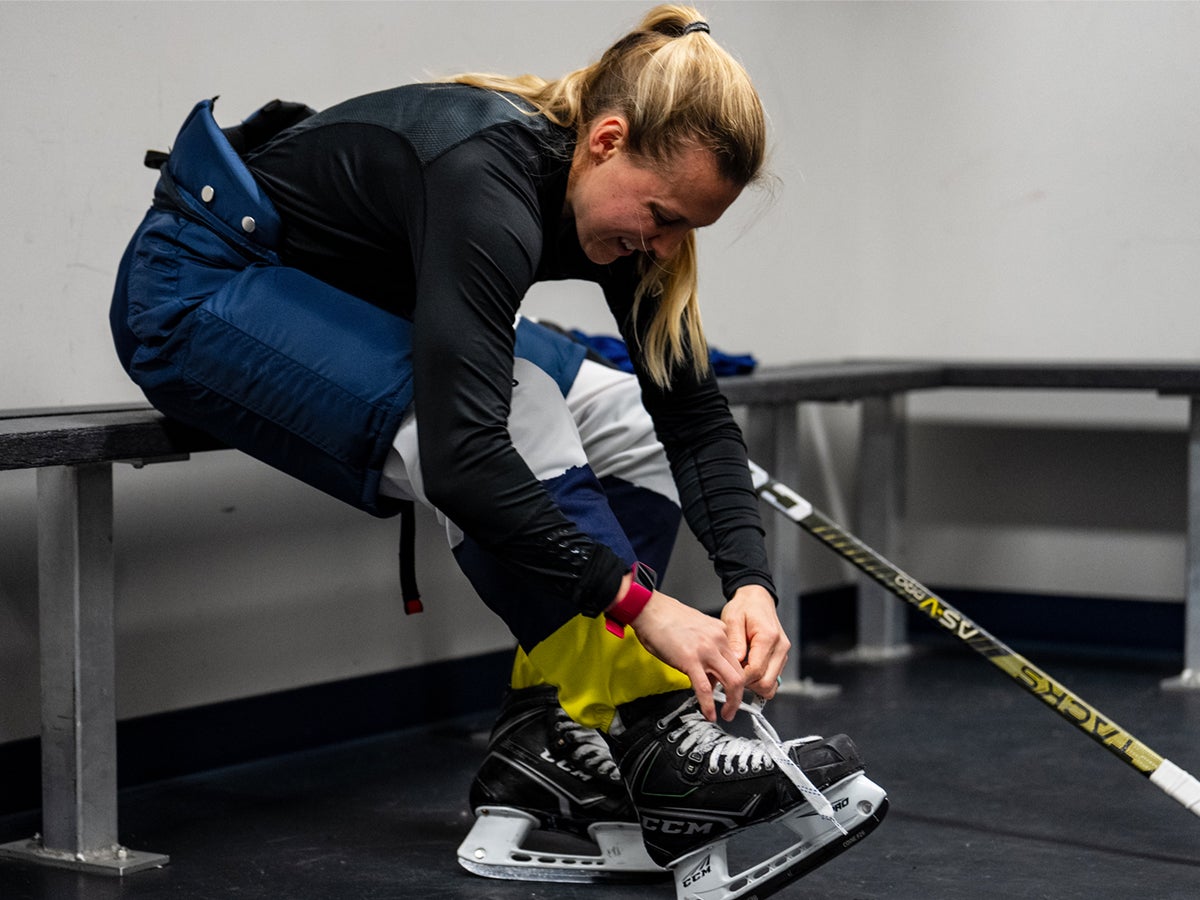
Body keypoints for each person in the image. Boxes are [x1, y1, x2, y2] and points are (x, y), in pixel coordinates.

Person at [109, 5, 886, 897]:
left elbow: (692, 418)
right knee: (522, 410)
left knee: (624, 415)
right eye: (662, 215)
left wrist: (750, 581)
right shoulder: (487, 180)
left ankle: (551, 741)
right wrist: (646, 609)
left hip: (350, 303)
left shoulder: (620, 208)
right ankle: (652, 731)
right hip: (201, 292)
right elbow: (466, 460)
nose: (663, 248)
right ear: (605, 139)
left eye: (686, 232)